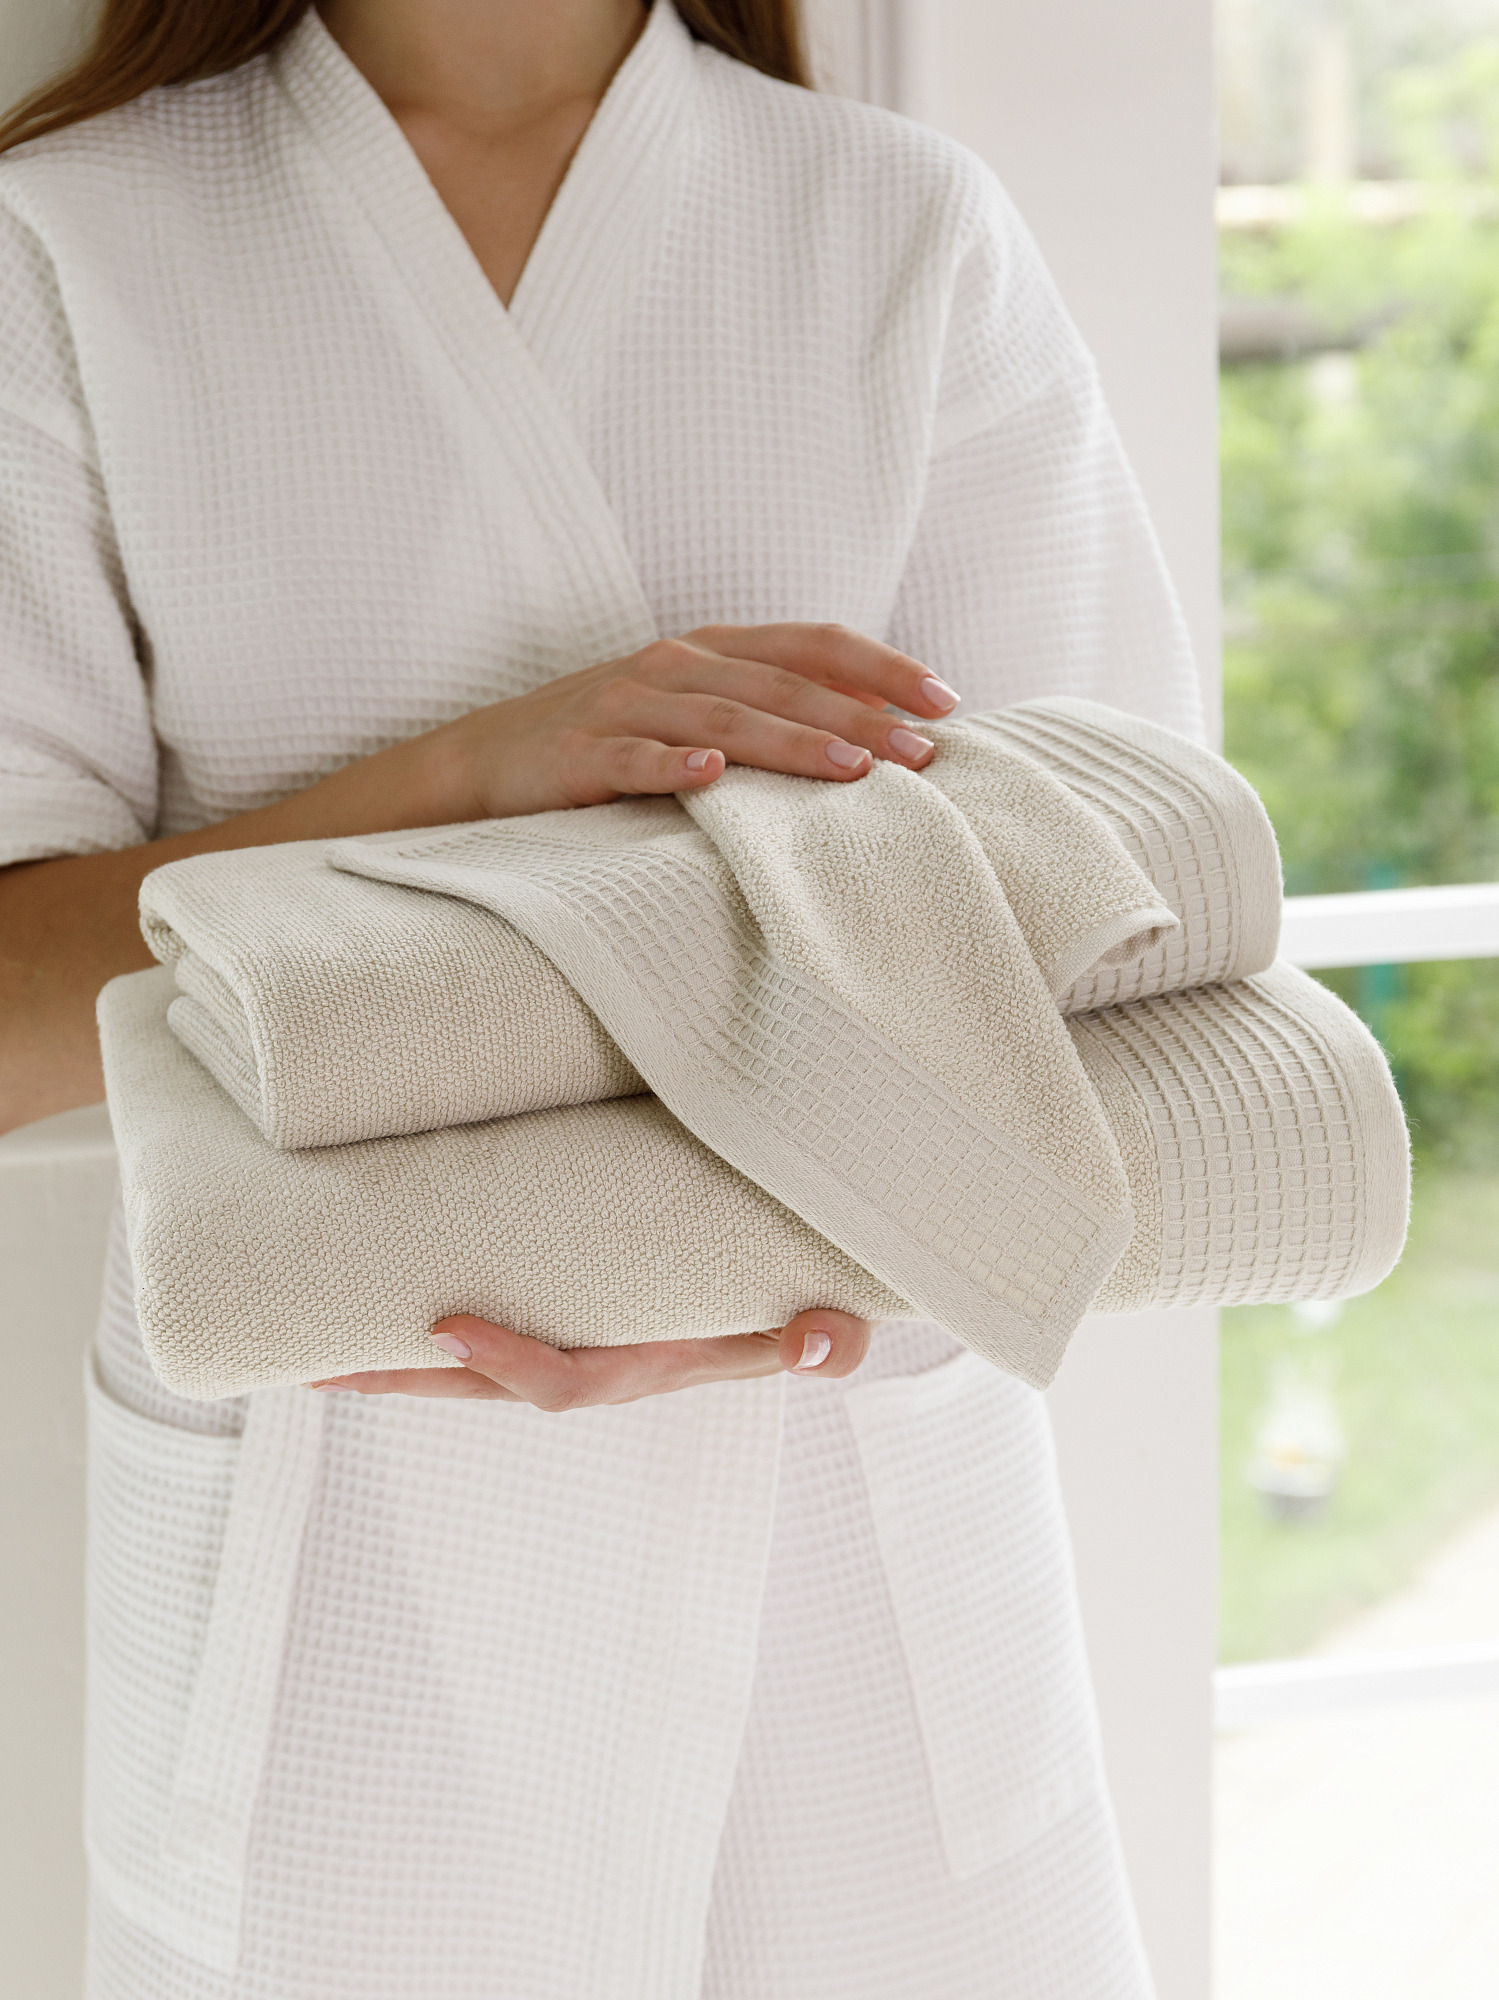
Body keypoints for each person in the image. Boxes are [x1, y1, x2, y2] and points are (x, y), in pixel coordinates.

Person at [0, 1, 1201, 1993]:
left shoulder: (893, 225)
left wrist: (742, 1314)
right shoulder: (76, 242)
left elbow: (1127, 941)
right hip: (336, 1495)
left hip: (843, 1462)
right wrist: (467, 776)